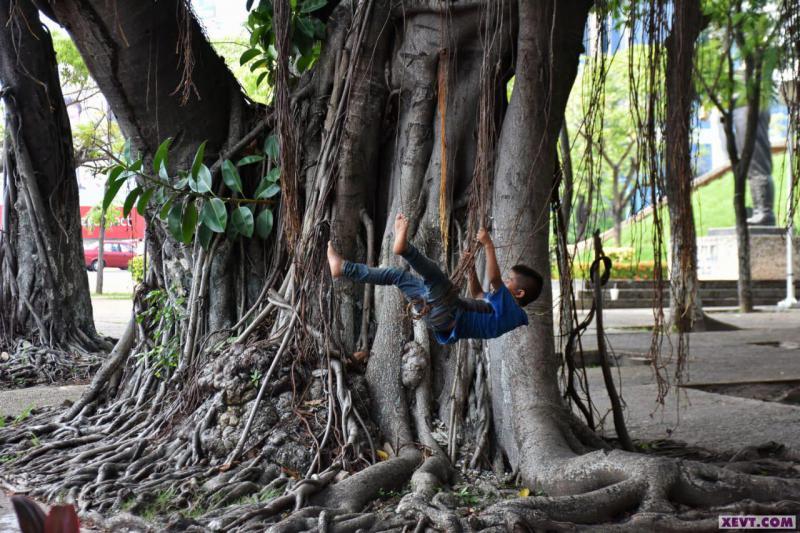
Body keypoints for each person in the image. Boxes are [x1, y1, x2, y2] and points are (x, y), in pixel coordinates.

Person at [327, 213, 542, 345]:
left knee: (435, 276)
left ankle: (405, 249)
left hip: (448, 313)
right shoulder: (501, 311)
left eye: (510, 280)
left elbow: (494, 279)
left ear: (519, 293)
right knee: (396, 275)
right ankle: (343, 268)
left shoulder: (511, 309)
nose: (505, 281)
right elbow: (478, 294)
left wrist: (488, 244)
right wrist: (471, 271)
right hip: (438, 318)